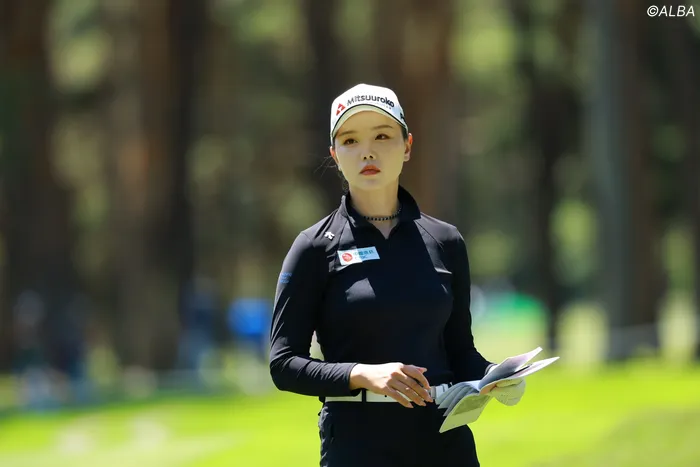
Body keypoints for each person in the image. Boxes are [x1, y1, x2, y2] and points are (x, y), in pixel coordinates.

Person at [269, 83, 526, 467]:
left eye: (382, 136)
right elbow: (284, 364)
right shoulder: (313, 247)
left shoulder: (446, 241)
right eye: (350, 140)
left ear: (407, 146)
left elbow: (460, 352)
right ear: (335, 155)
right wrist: (361, 374)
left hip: (445, 441)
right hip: (358, 444)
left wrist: (495, 375)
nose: (367, 151)